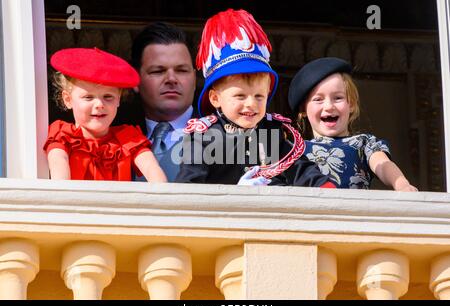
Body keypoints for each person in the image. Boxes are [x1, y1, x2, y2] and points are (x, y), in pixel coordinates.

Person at [175, 8, 335, 188]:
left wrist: (327, 188)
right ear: (215, 98)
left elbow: (301, 169)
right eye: (240, 96)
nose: (251, 104)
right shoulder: (202, 136)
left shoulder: (271, 130)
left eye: (259, 96)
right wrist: (233, 195)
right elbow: (188, 188)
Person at [288, 57, 418, 191]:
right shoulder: (294, 150)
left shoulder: (364, 143)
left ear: (352, 104)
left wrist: (401, 184)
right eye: (318, 99)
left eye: (338, 98)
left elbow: (383, 164)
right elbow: (271, 176)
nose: (329, 106)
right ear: (303, 109)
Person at [43, 47, 167, 182]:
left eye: (108, 97)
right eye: (88, 97)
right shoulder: (62, 135)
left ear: (118, 99)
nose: (99, 104)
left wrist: (164, 197)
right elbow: (59, 168)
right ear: (68, 99)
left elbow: (151, 168)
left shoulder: (128, 138)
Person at [130, 22, 197, 182]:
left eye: (181, 70)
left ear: (194, 79)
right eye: (158, 71)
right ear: (135, 80)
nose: (171, 79)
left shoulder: (227, 138)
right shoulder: (114, 139)